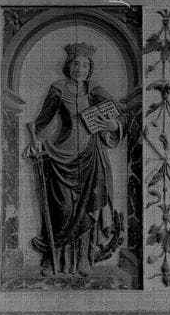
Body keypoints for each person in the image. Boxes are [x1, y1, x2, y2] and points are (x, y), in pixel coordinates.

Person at [27, 42, 125, 277]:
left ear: (90, 69)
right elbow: (41, 121)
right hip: (61, 156)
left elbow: (119, 116)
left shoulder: (96, 90)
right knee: (62, 210)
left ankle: (83, 260)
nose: (80, 69)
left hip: (92, 157)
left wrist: (114, 125)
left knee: (89, 208)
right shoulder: (58, 89)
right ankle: (52, 260)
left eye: (85, 65)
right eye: (76, 64)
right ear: (68, 66)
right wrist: (34, 139)